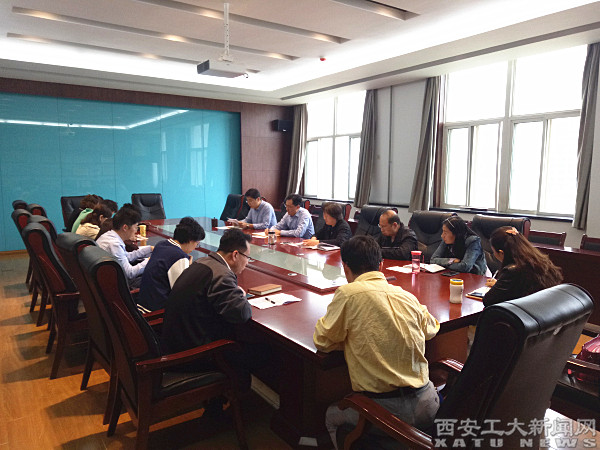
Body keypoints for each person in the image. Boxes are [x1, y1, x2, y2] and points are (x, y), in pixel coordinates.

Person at [314, 235, 440, 448]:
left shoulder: (348, 294)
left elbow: (323, 341)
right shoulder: (405, 295)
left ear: (345, 267)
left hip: (385, 411)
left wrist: (349, 338)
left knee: (331, 416)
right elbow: (431, 328)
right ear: (380, 265)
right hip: (428, 403)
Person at [162, 228, 261, 391]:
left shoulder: (202, 262)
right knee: (261, 352)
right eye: (247, 257)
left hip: (175, 343)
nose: (248, 262)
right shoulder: (221, 274)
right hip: (191, 356)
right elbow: (242, 314)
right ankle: (236, 399)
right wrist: (241, 295)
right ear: (235, 255)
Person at [483, 226, 563, 306]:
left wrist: (499, 287)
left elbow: (488, 300)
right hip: (546, 308)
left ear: (501, 253)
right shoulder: (540, 261)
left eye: (494, 252)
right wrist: (499, 285)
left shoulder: (512, 270)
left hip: (526, 310)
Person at [138, 217, 205, 312]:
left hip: (143, 303)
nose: (195, 248)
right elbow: (182, 293)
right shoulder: (179, 256)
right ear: (190, 240)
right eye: (197, 244)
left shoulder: (161, 244)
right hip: (156, 311)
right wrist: (188, 270)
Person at [96, 204, 153, 289]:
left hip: (109, 281)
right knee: (157, 277)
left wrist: (149, 249)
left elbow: (126, 256)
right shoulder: (114, 244)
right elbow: (130, 273)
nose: (136, 231)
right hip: (119, 286)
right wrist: (149, 260)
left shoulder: (108, 235)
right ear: (125, 227)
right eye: (135, 227)